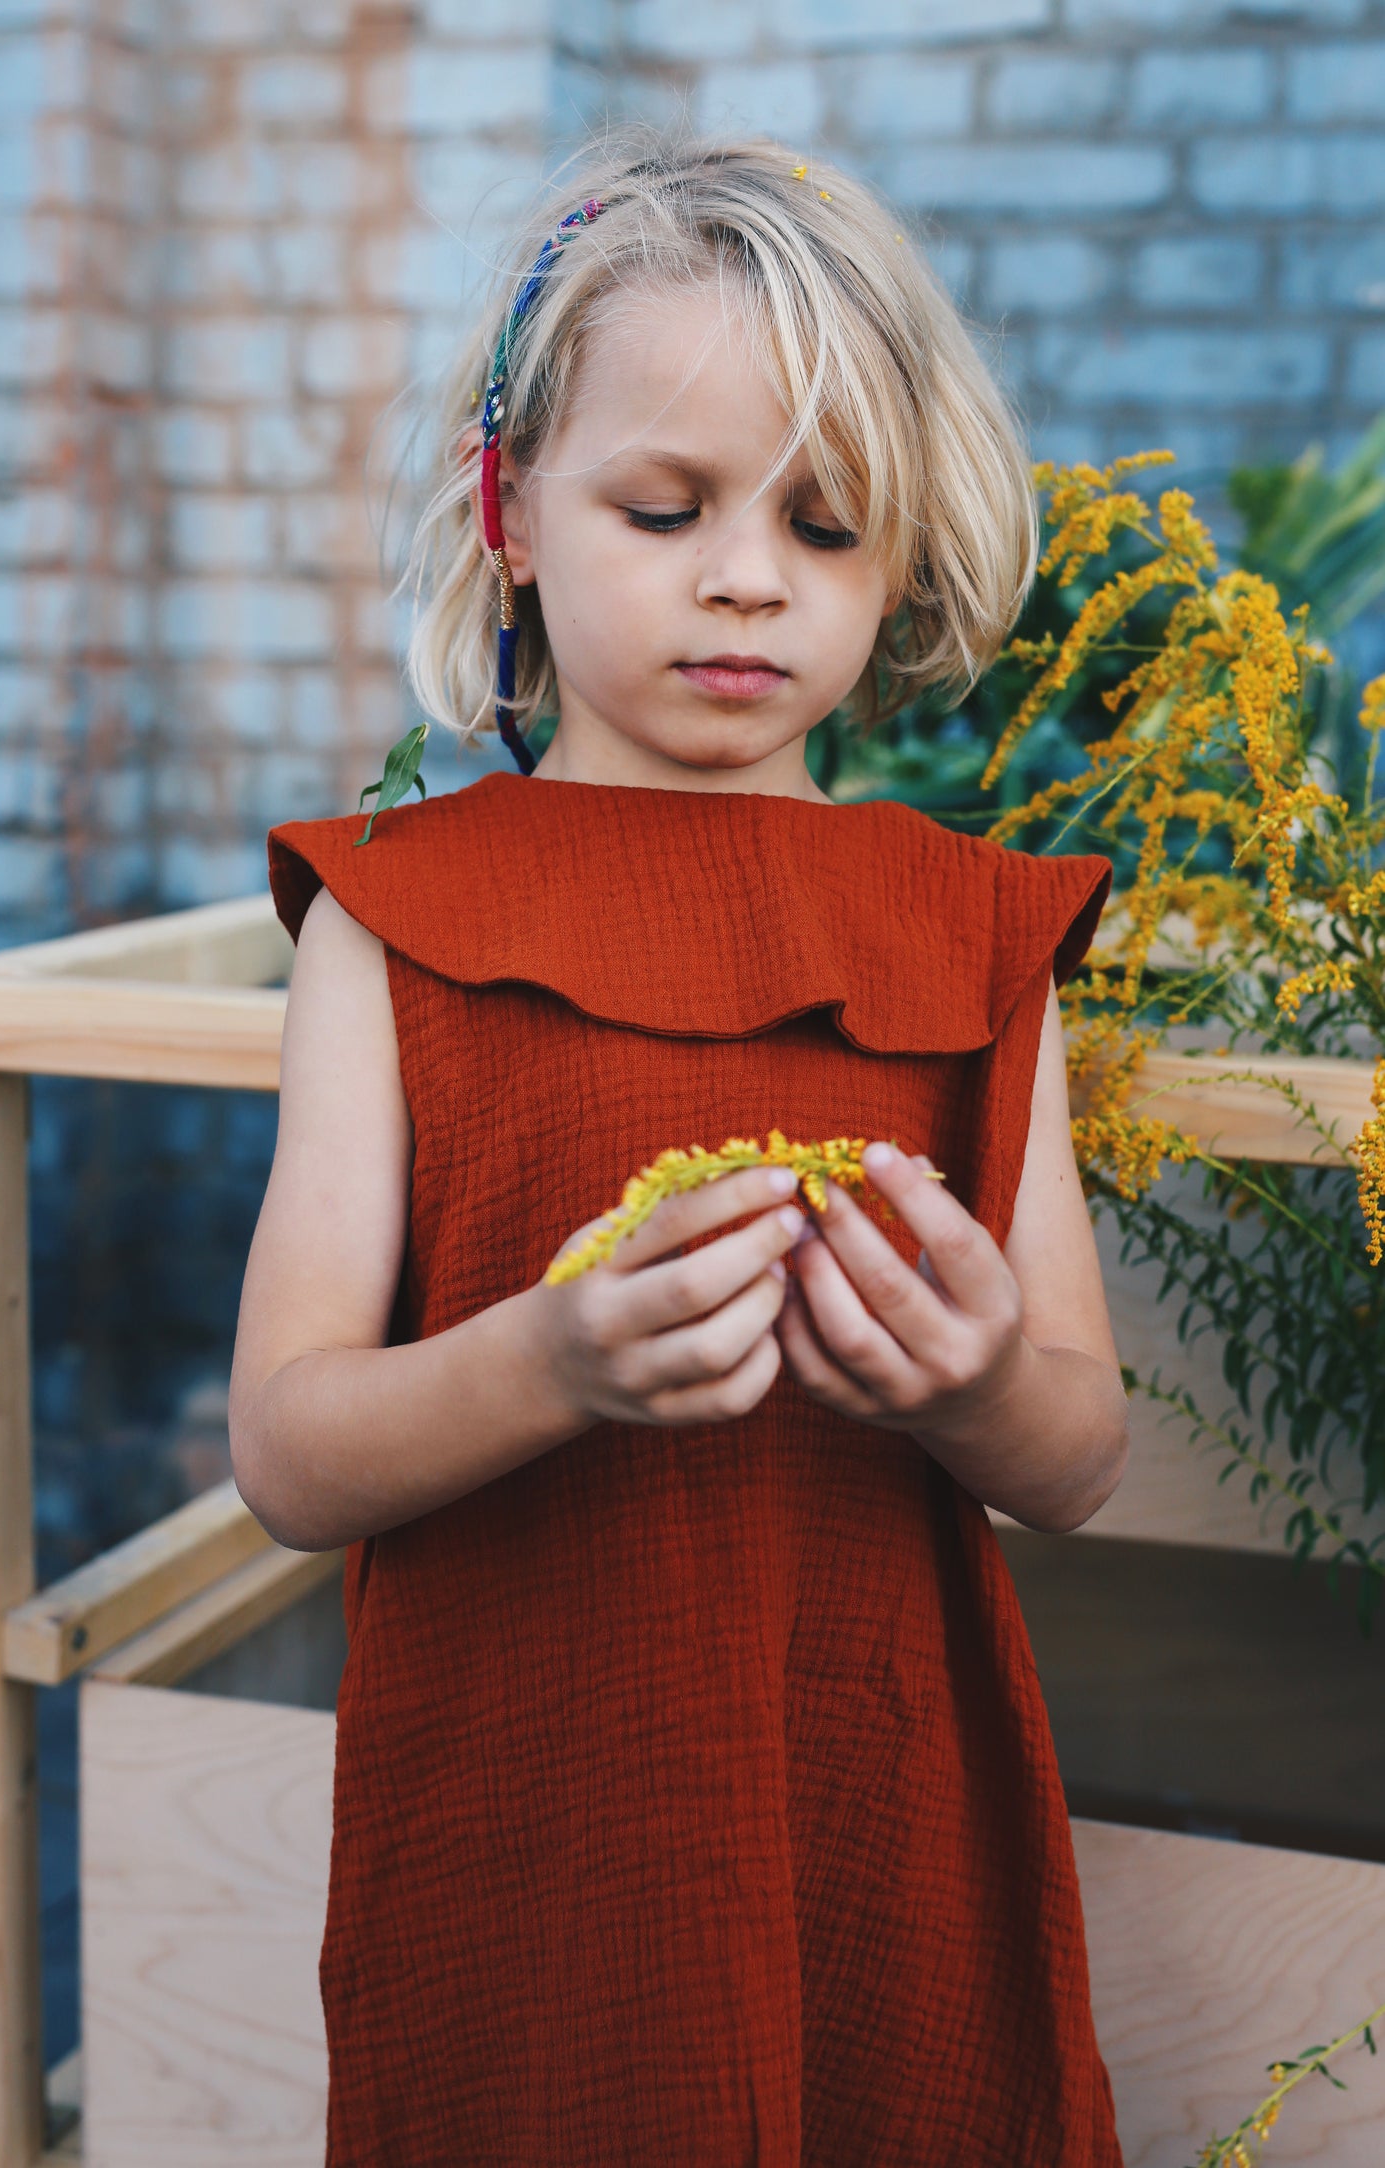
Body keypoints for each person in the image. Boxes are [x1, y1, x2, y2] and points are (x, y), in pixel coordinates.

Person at [229, 131, 1130, 2165]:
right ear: (512, 509)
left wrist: (980, 1382)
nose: (748, 574)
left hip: (881, 1816)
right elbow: (286, 1446)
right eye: (668, 504)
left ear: (897, 566)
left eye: (824, 526)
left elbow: (1078, 1452)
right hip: (526, 1834)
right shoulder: (396, 915)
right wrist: (545, 1362)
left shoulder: (973, 933)